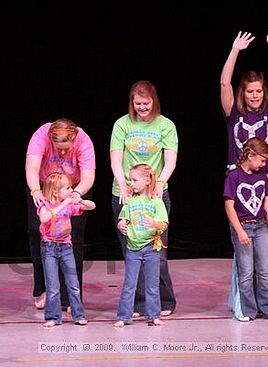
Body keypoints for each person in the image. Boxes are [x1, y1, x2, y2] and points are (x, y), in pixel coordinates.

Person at [220, 30, 268, 311]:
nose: (254, 95)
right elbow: (225, 82)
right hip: (238, 187)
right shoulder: (234, 116)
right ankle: (245, 304)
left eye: (258, 91)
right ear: (244, 92)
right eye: (250, 91)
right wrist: (234, 50)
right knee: (244, 248)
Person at [109, 80, 177, 317]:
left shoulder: (165, 125)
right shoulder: (122, 124)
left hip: (154, 195)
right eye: (137, 103)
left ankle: (164, 301)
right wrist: (123, 186)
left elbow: (170, 161)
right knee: (132, 250)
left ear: (153, 101)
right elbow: (116, 160)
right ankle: (138, 304)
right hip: (126, 195)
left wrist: (160, 183)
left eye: (146, 103)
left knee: (157, 250)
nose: (142, 107)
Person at [26, 118, 95, 312]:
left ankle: (71, 297)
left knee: (73, 237)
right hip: (43, 187)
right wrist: (35, 191)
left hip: (73, 187)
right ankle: (43, 289)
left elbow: (89, 175)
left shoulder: (83, 140)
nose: (63, 153)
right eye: (59, 148)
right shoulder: (41, 135)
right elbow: (31, 167)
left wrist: (76, 194)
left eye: (67, 148)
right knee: (37, 232)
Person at [224, 137, 268, 322]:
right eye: (262, 160)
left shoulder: (262, 175)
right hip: (244, 227)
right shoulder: (234, 176)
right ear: (250, 155)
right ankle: (248, 310)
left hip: (261, 227)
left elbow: (265, 201)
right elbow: (229, 206)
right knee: (246, 271)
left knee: (264, 270)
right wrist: (239, 231)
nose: (265, 164)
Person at [114, 164, 167, 328]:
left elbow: (163, 224)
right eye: (130, 180)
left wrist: (154, 224)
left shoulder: (157, 202)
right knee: (129, 284)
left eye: (134, 180)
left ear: (146, 180)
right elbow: (123, 218)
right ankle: (124, 316)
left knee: (152, 285)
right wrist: (121, 224)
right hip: (133, 249)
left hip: (151, 248)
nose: (131, 183)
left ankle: (153, 315)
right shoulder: (130, 202)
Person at [37, 172, 93, 327]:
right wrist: (64, 204)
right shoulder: (45, 205)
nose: (71, 190)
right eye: (68, 188)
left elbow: (91, 206)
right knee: (53, 287)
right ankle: (53, 317)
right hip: (49, 248)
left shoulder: (69, 205)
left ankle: (78, 315)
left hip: (66, 247)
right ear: (55, 191)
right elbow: (44, 218)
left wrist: (79, 200)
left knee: (73, 284)